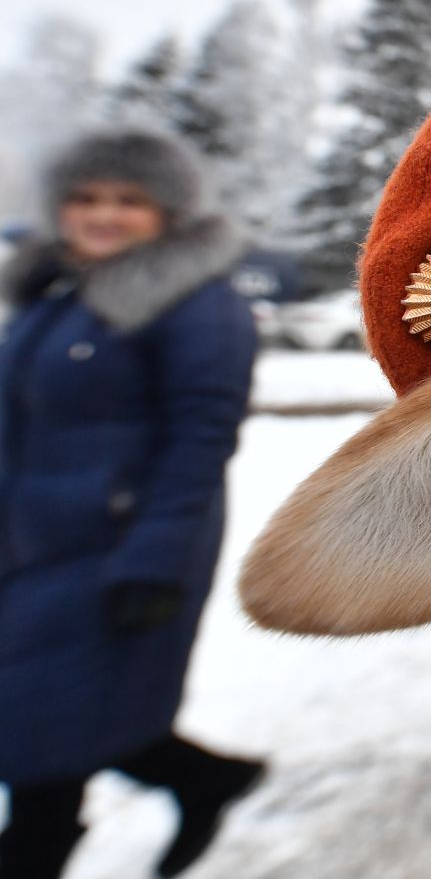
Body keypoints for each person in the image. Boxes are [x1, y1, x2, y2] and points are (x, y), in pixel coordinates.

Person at [0, 130, 266, 879]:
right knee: (57, 713)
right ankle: (205, 779)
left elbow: (202, 437)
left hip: (116, 551)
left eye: (128, 199)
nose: (103, 215)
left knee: (40, 733)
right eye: (85, 197)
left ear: (169, 213)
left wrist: (155, 559)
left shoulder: (197, 306)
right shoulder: (55, 295)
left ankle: (35, 852)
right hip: (30, 550)